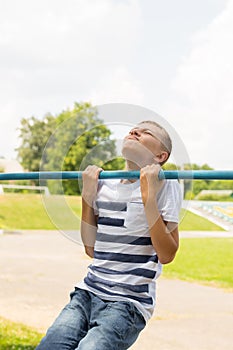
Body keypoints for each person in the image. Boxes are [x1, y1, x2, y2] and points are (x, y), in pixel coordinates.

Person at [36, 120, 182, 350]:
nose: (134, 132)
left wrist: (149, 198)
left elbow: (167, 254)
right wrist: (88, 196)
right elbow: (91, 249)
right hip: (88, 292)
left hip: (128, 303)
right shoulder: (105, 182)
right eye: (133, 130)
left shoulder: (167, 183)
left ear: (160, 156)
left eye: (146, 133)